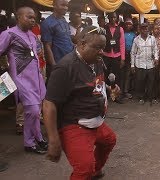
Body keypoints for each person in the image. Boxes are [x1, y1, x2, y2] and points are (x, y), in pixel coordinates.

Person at [43, 26, 117, 180]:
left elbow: (96, 82)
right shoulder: (64, 68)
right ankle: (89, 172)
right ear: (82, 44)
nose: (101, 52)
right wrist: (53, 139)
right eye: (97, 48)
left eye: (103, 48)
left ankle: (95, 170)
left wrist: (109, 89)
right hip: (74, 124)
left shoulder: (96, 60)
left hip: (95, 120)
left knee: (109, 140)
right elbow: (48, 105)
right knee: (84, 168)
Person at [0, 7, 47, 154]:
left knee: (34, 112)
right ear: (19, 17)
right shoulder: (9, 34)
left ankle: (33, 141)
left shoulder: (33, 35)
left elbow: (36, 55)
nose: (33, 20)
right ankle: (34, 140)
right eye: (29, 17)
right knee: (32, 111)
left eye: (34, 17)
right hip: (20, 80)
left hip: (36, 79)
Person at [41, 0, 74, 77]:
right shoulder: (47, 23)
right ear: (54, 5)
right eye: (62, 5)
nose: (65, 8)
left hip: (69, 61)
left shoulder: (64, 20)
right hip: (58, 63)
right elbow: (47, 46)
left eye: (66, 6)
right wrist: (54, 66)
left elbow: (67, 39)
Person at [131, 23, 159, 104]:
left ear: (148, 29)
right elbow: (133, 53)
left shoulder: (152, 38)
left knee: (151, 82)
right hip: (140, 64)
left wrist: (156, 58)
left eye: (146, 28)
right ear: (140, 30)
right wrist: (132, 65)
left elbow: (155, 50)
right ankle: (141, 97)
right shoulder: (136, 39)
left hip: (150, 63)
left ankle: (152, 97)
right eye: (143, 28)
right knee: (140, 82)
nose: (145, 30)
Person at [102, 12, 125, 103]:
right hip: (106, 56)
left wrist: (122, 58)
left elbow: (122, 44)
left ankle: (116, 96)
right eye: (111, 17)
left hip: (117, 55)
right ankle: (107, 96)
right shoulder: (104, 28)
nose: (113, 19)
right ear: (109, 18)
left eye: (114, 17)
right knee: (106, 76)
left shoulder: (120, 29)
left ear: (117, 18)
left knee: (117, 77)